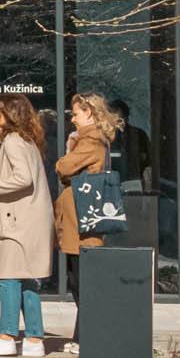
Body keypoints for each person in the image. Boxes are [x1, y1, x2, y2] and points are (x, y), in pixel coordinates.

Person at [0, 95, 55, 358]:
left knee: (9, 277)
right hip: (30, 219)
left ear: (8, 114)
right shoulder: (27, 139)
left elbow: (23, 178)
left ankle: (6, 336)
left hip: (16, 221)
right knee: (28, 280)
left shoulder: (12, 141)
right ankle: (34, 339)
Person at [56, 92, 117, 284]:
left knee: (79, 276)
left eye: (75, 114)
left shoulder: (90, 140)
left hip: (81, 213)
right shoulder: (95, 139)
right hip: (84, 212)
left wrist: (71, 147)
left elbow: (63, 166)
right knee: (78, 274)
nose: (72, 120)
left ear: (89, 112)